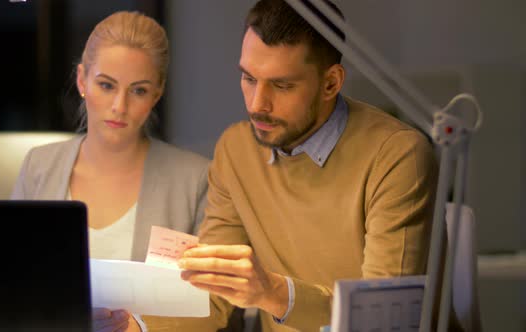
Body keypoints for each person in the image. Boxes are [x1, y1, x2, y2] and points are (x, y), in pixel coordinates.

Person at [144, 0, 440, 331]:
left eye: (282, 85)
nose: (257, 105)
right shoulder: (237, 150)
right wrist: (133, 323)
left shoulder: (397, 155)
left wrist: (271, 292)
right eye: (248, 78)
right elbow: (215, 298)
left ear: (331, 83)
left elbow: (383, 319)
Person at [11, 11, 210, 332]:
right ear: (81, 81)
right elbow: (12, 283)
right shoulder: (38, 166)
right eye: (106, 85)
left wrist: (140, 328)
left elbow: (217, 303)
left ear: (156, 95)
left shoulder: (195, 179)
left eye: (139, 90)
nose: (119, 105)